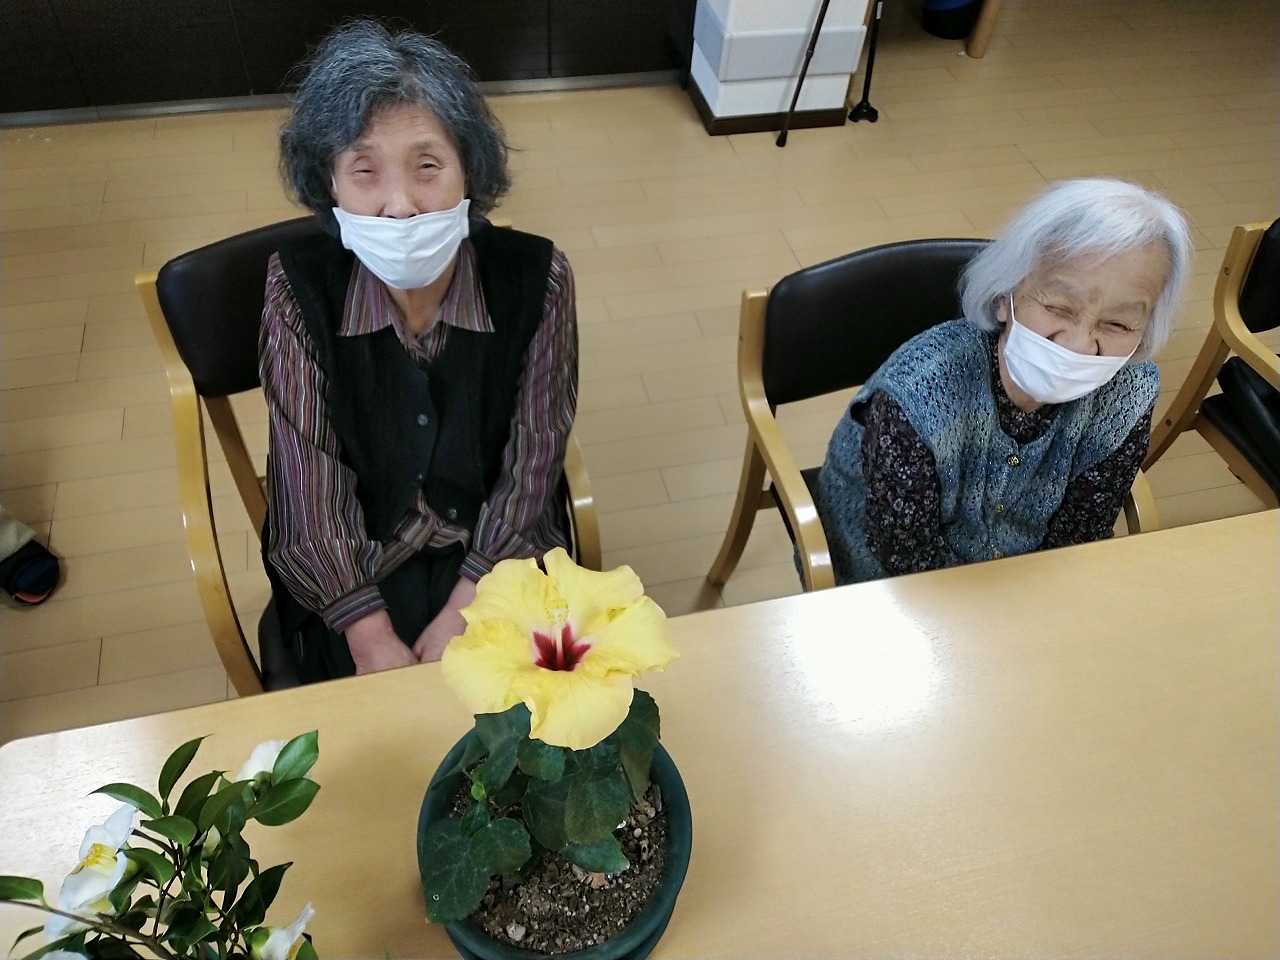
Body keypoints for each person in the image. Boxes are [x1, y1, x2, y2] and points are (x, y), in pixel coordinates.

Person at [260, 21, 577, 681]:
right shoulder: (296, 289)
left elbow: (533, 464)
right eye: (364, 171)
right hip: (359, 570)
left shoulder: (538, 278)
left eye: (427, 166)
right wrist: (368, 633)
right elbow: (306, 481)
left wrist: (471, 607)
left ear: (470, 171)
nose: (400, 207)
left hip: (495, 560)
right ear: (330, 185)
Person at [815, 178, 1192, 585]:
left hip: (1029, 583)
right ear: (1004, 296)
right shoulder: (916, 397)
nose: (1079, 345)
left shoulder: (1128, 395)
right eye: (1058, 307)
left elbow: (1081, 535)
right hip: (891, 578)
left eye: (1117, 323)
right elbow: (907, 557)